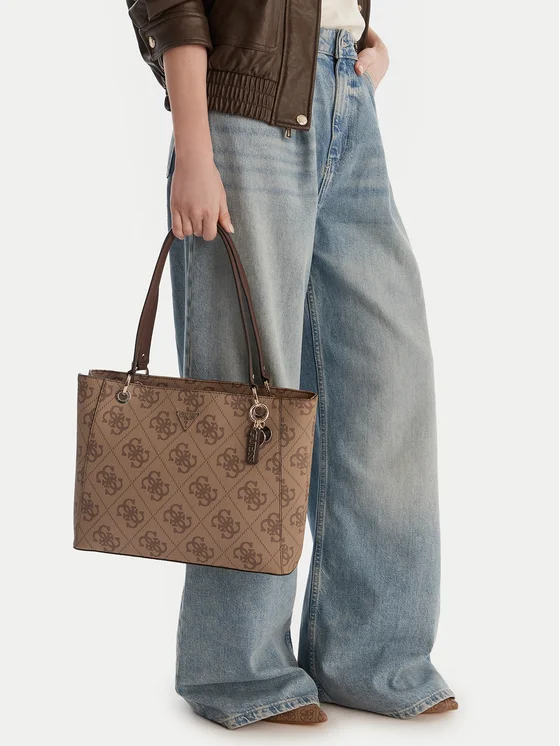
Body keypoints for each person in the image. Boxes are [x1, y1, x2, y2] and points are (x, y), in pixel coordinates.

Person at [126, 0, 458, 729]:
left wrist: (358, 46)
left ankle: (370, 656)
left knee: (387, 382)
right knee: (249, 395)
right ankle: (238, 668)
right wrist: (195, 143)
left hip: (346, 97)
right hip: (243, 113)